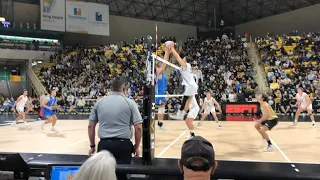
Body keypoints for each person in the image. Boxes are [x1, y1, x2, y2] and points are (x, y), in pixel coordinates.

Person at [88, 77, 143, 165]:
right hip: (123, 145)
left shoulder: (99, 102)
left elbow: (90, 126)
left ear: (111, 89)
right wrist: (136, 146)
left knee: (104, 175)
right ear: (124, 89)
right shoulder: (130, 103)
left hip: (104, 144)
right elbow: (138, 128)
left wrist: (92, 146)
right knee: (122, 174)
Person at [169, 47, 200, 139]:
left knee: (185, 98)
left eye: (184, 58)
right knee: (187, 121)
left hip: (192, 86)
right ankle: (192, 135)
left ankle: (180, 113)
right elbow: (177, 60)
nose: (183, 59)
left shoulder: (187, 65)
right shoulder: (183, 67)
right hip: (193, 100)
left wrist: (172, 49)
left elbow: (178, 58)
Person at [155, 48, 170, 130]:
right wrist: (167, 53)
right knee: (161, 109)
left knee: (162, 109)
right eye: (159, 65)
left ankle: (160, 124)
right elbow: (164, 65)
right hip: (159, 94)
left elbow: (164, 65)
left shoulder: (160, 73)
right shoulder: (158, 73)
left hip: (162, 93)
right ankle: (159, 125)